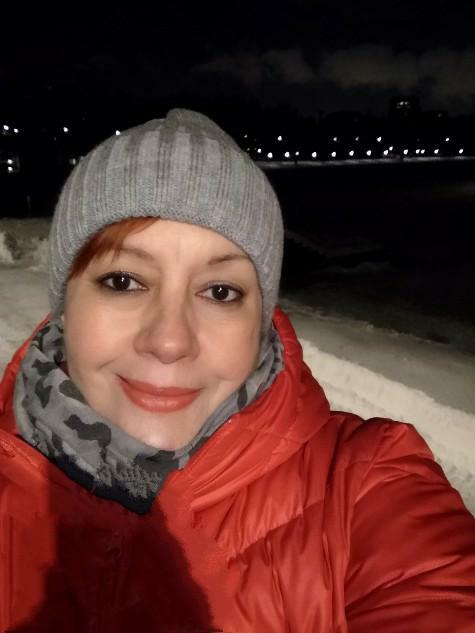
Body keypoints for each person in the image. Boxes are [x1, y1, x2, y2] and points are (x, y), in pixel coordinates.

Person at [0, 108, 474, 633]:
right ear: (65, 308)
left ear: (260, 323)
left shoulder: (365, 485)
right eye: (123, 281)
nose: (170, 341)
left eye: (220, 291)